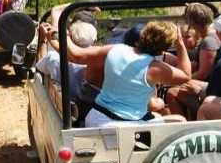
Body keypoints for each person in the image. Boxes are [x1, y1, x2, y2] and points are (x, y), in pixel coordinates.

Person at [58, 21, 192, 127]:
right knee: (179, 120)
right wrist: (180, 45)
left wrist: (63, 34)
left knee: (156, 117)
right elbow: (186, 75)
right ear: (165, 47)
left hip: (97, 119)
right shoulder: (156, 68)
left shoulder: (114, 50)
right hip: (128, 126)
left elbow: (75, 55)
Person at [165, 4, 221, 118]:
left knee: (172, 93)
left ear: (192, 21)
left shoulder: (209, 41)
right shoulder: (215, 33)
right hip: (209, 84)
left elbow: (204, 73)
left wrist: (178, 80)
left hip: (210, 87)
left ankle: (183, 126)